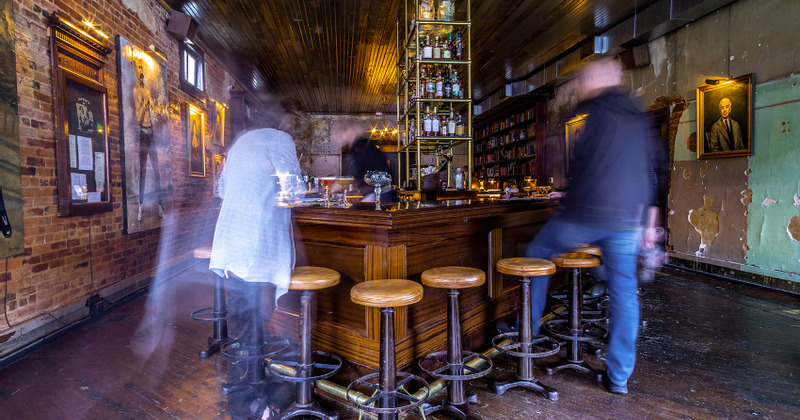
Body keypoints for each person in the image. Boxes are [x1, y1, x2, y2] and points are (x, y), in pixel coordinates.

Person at [523, 57, 664, 395]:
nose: (579, 85)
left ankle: (527, 331)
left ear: (596, 80)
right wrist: (649, 216)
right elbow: (653, 166)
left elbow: (584, 163)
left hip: (587, 213)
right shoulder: (637, 114)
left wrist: (564, 198)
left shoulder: (597, 111)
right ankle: (619, 377)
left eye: (583, 79)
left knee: (537, 253)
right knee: (624, 293)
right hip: (628, 217)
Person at [209, 114, 303, 419]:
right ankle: (253, 398)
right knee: (253, 317)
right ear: (283, 125)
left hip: (230, 243)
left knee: (243, 318)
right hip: (256, 245)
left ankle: (245, 391)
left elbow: (221, 190)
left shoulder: (239, 144)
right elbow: (295, 193)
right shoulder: (281, 140)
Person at [331, 119, 395, 202]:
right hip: (378, 194)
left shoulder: (363, 147)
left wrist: (340, 184)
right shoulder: (359, 147)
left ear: (348, 132)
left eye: (337, 135)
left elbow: (357, 174)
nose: (335, 140)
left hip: (380, 195)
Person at [132, 58, 164, 221]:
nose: (141, 71)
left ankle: (160, 208)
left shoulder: (147, 91)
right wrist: (145, 105)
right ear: (135, 71)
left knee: (157, 171)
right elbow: (138, 118)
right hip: (142, 133)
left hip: (150, 132)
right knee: (143, 172)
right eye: (138, 68)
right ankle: (140, 208)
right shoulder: (136, 91)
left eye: (142, 68)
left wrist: (158, 109)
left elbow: (155, 109)